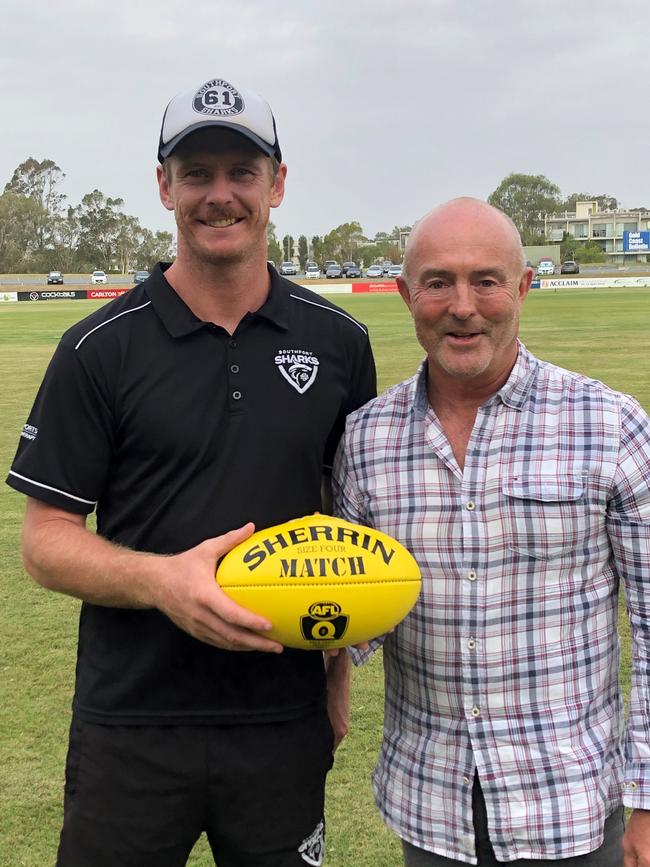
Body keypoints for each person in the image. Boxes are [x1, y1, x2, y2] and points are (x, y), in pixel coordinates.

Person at [6, 77, 376, 866]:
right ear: (164, 186)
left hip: (280, 719)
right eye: (197, 172)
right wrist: (162, 582)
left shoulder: (339, 342)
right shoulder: (98, 348)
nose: (220, 195)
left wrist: (335, 675)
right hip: (131, 722)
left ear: (276, 183)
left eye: (242, 172)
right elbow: (44, 542)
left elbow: (347, 526)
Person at [333, 198, 650, 866]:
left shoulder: (610, 425)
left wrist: (648, 798)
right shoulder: (366, 438)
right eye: (439, 281)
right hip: (430, 806)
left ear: (523, 287)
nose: (463, 305)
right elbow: (360, 615)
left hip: (570, 808)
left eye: (486, 280)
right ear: (405, 293)